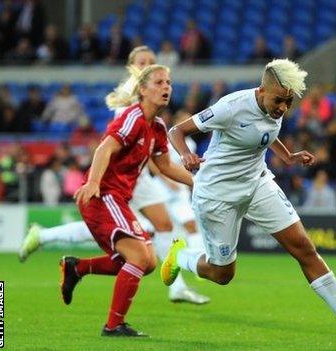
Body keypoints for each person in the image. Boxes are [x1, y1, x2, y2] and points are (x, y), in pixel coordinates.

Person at [163, 59, 336, 342]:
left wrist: (287, 156)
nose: (282, 108)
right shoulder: (230, 107)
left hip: (258, 184)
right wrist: (185, 154)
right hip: (217, 194)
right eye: (279, 101)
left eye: (289, 103)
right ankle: (179, 256)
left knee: (304, 248)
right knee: (222, 274)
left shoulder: (277, 105)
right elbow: (177, 131)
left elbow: (264, 134)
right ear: (261, 91)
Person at [19, 46, 208, 305]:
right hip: (122, 181)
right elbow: (114, 146)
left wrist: (200, 183)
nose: (150, 66)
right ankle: (165, 292)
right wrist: (97, 181)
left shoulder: (154, 114)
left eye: (154, 63)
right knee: (141, 242)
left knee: (143, 238)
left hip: (134, 179)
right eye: (143, 62)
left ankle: (49, 241)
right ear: (133, 68)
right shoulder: (133, 110)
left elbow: (157, 154)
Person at [62, 64, 194, 336]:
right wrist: (94, 182)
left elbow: (166, 166)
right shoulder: (133, 118)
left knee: (148, 262)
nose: (166, 87)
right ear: (142, 90)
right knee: (138, 256)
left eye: (168, 82)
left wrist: (201, 184)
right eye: (158, 82)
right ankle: (113, 326)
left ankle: (78, 267)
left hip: (118, 199)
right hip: (103, 195)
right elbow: (105, 147)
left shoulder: (157, 127)